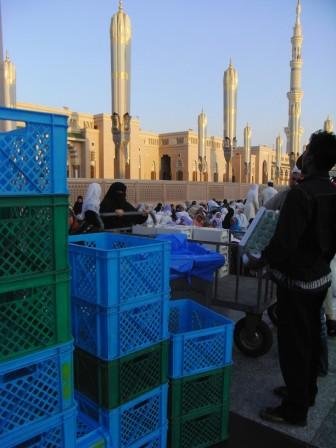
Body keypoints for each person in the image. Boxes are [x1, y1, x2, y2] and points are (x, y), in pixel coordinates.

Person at [259, 130, 336, 426]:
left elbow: (283, 244)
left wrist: (260, 261)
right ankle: (305, 392)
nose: (302, 155)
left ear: (313, 157)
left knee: (294, 346)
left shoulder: (300, 194)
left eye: (306, 150)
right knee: (311, 341)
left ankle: (295, 408)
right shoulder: (331, 191)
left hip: (297, 282)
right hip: (319, 278)